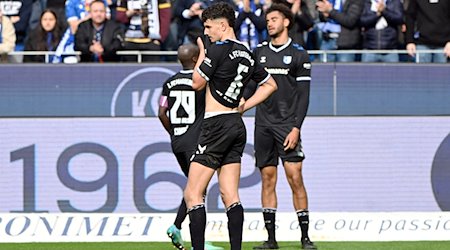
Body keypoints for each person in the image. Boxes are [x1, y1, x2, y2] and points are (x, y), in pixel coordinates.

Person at [183, 2, 278, 250]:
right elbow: (270, 85)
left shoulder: (217, 49)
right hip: (236, 125)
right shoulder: (247, 53)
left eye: (208, 27)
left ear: (222, 25)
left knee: (193, 194)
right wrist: (244, 107)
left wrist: (203, 50)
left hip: (215, 125)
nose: (207, 32)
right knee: (230, 195)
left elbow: (196, 83)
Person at [250, 3, 315, 250]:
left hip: (287, 125)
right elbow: (249, 88)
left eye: (274, 19)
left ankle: (305, 237)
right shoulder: (258, 53)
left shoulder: (299, 54)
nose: (269, 23)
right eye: (268, 20)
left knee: (295, 177)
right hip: (263, 124)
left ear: (286, 22)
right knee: (267, 179)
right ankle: (271, 239)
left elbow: (304, 96)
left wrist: (296, 127)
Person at [158, 43, 223, 250]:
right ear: (196, 59)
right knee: (197, 191)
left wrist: (174, 133)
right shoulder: (200, 81)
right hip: (195, 142)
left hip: (177, 142)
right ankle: (195, 239)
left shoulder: (169, 83)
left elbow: (161, 112)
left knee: (194, 188)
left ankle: (177, 226)